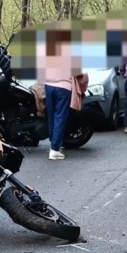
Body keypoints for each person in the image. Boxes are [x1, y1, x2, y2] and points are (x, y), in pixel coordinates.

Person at [42, 29, 84, 161]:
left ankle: (55, 144)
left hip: (49, 86)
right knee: (60, 116)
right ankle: (55, 149)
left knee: (51, 115)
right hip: (63, 87)